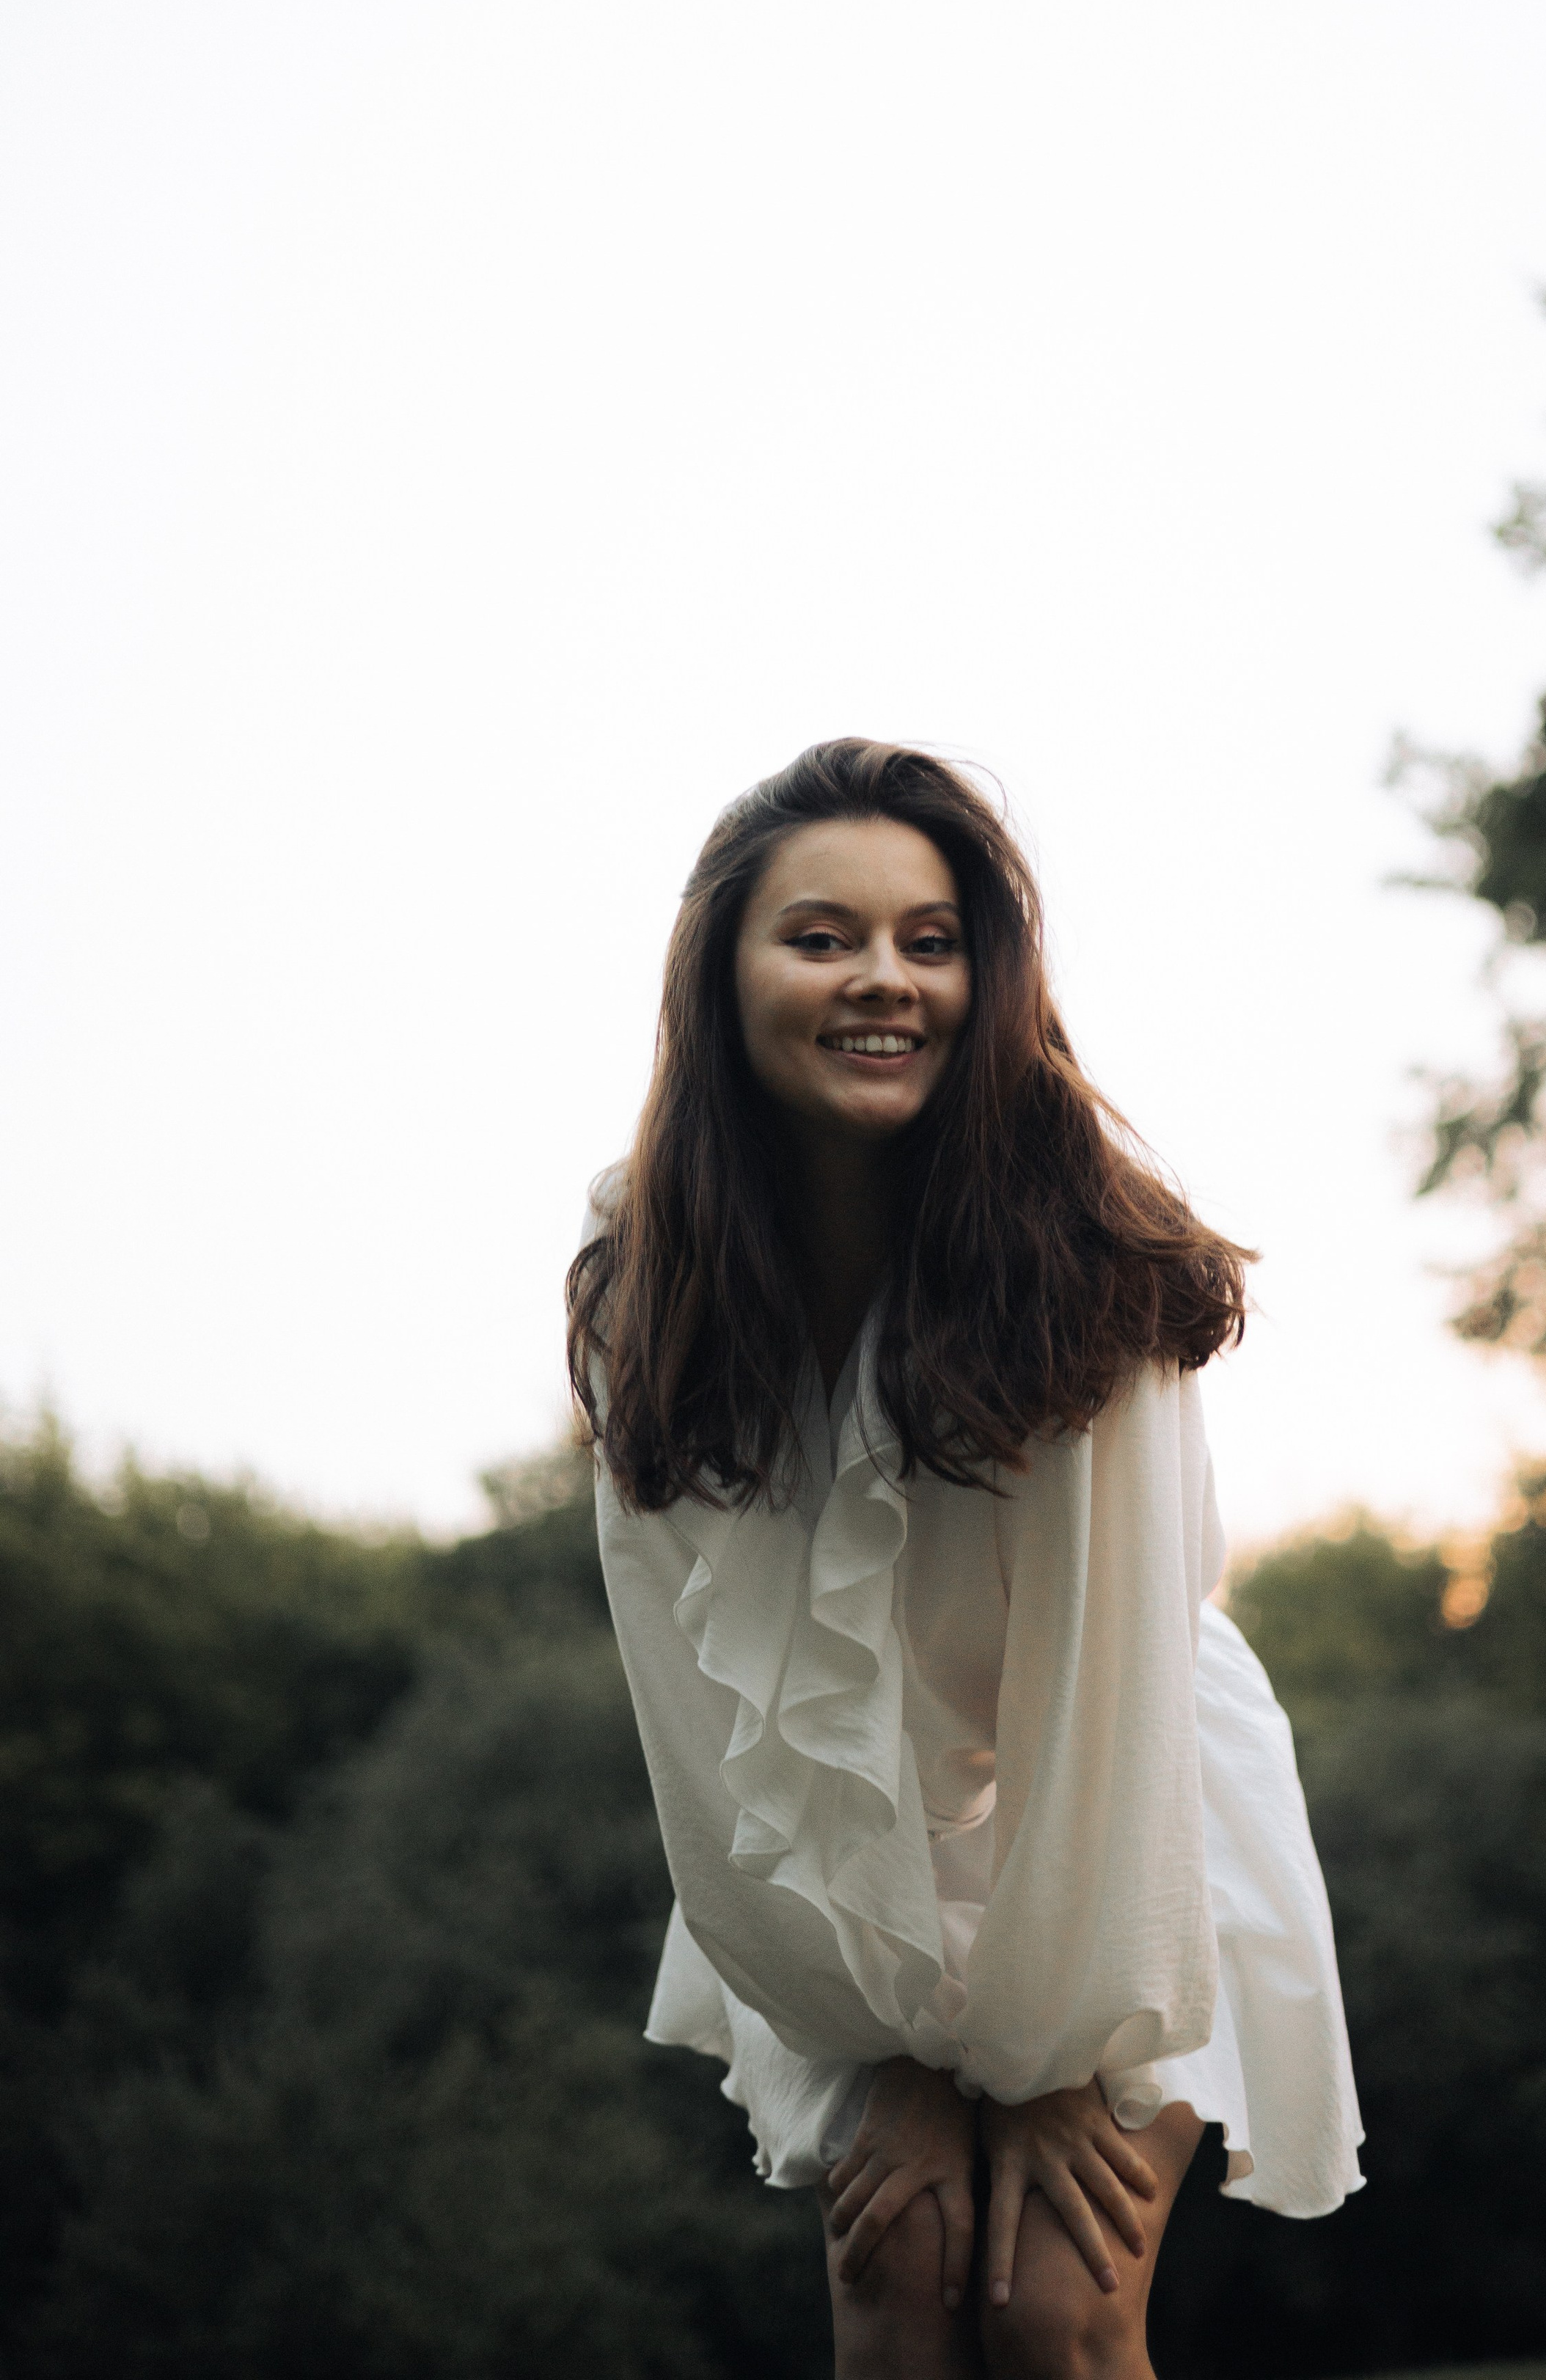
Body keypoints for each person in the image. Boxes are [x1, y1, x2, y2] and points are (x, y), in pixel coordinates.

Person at [568, 739, 1362, 2380]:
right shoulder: (646, 1269)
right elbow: (699, 1735)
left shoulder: (1090, 1249)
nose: (884, 981)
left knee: (1056, 2306)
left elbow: (1108, 1685)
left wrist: (1068, 2049)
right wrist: (887, 2052)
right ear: (722, 977)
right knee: (904, 2274)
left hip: (1124, 1802)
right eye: (821, 937)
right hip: (838, 1820)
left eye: (930, 942)